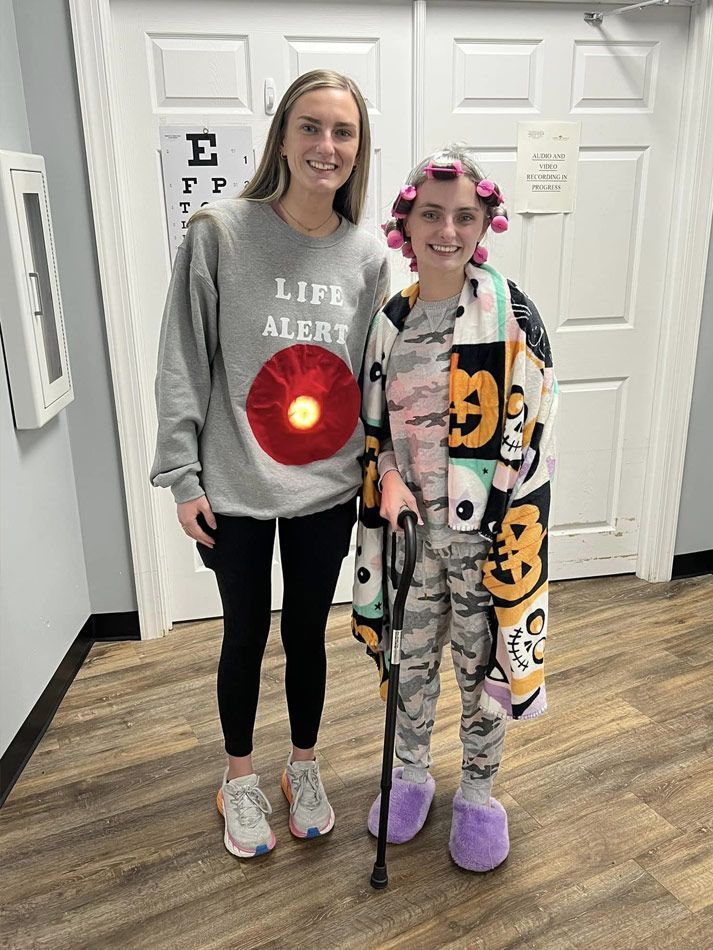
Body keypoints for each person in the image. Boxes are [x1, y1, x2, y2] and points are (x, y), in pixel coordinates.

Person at [150, 69, 390, 859]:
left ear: (358, 149)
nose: (327, 146)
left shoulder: (365, 254)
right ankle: (239, 779)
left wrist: (379, 471)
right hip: (235, 487)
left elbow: (369, 375)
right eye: (311, 127)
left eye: (343, 132)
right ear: (283, 135)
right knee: (244, 635)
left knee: (307, 635)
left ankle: (304, 768)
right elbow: (185, 356)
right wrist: (181, 476)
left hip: (325, 486)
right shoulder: (220, 229)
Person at [352, 146, 557, 871]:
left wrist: (505, 529)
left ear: (484, 224)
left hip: (483, 545)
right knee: (410, 669)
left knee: (479, 675)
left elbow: (532, 435)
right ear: (404, 223)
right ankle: (409, 772)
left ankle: (476, 791)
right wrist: (387, 479)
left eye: (463, 216)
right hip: (408, 542)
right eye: (430, 215)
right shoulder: (391, 319)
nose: (446, 230)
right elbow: (372, 427)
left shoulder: (511, 317)